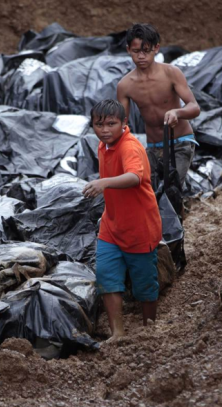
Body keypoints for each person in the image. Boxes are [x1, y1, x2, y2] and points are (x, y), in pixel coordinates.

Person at [82, 99, 162, 342]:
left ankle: (150, 329)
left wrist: (103, 183)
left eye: (111, 124)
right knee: (106, 277)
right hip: (112, 224)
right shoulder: (102, 146)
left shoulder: (129, 147)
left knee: (144, 285)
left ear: (124, 123)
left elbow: (135, 177)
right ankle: (118, 333)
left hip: (139, 227)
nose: (105, 130)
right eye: (99, 124)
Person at [117, 23, 200, 187]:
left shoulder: (171, 73)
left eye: (146, 51)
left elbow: (194, 107)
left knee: (172, 189)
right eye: (136, 51)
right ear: (128, 50)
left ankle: (177, 209)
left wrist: (177, 113)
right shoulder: (125, 85)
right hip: (153, 147)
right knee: (150, 191)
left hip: (180, 141)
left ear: (156, 48)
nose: (141, 56)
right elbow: (122, 124)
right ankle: (178, 210)